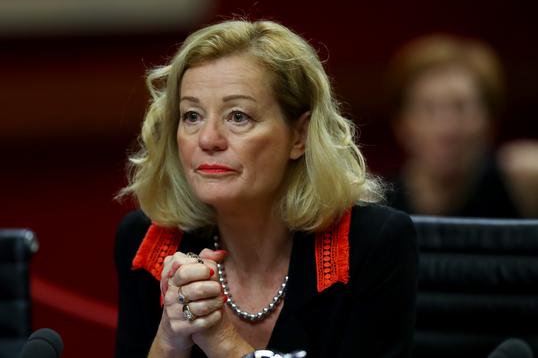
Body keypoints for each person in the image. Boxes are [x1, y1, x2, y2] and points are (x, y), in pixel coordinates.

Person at [115, 19, 418, 358]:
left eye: (238, 116)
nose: (208, 139)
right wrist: (170, 342)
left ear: (299, 136)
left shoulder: (372, 244)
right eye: (192, 116)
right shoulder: (149, 242)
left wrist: (223, 342)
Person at [384, 33, 538, 218]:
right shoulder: (376, 202)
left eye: (462, 108)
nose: (447, 129)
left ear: (489, 119)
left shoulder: (524, 180)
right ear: (402, 124)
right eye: (429, 109)